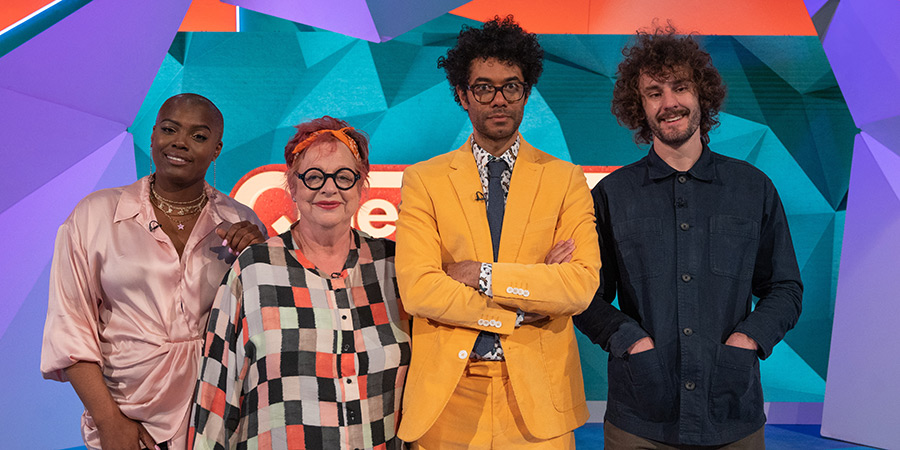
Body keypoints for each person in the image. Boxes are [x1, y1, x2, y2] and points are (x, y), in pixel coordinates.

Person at [573, 27, 803, 448]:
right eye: (654, 92)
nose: (669, 103)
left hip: (732, 415)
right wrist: (631, 341)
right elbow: (585, 297)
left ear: (702, 95)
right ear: (638, 107)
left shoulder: (753, 188)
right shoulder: (611, 195)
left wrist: (747, 340)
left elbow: (785, 288)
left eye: (680, 87)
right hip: (640, 418)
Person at [395, 16, 601, 449]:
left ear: (526, 93)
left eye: (511, 86)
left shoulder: (564, 179)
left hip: (538, 404)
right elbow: (419, 290)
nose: (499, 99)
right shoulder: (424, 180)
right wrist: (519, 307)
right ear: (462, 95)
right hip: (447, 399)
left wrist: (481, 274)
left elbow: (578, 286)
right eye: (483, 87)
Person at [41, 93, 267, 450]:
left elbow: (262, 332)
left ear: (217, 149)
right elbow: (71, 328)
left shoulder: (242, 222)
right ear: (152, 136)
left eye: (199, 136)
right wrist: (109, 421)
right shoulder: (94, 215)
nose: (180, 142)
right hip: (127, 419)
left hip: (218, 418)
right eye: (169, 129)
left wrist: (261, 258)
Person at [190, 116, 411, 450]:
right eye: (313, 176)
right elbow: (216, 395)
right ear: (292, 186)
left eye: (344, 176)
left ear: (363, 185)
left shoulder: (394, 266)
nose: (328, 187)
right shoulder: (254, 270)